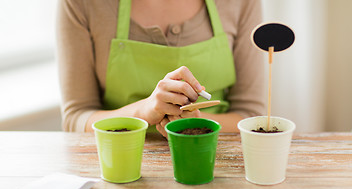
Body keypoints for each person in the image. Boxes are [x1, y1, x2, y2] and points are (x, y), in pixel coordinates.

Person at [57, 0, 265, 137]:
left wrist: (198, 124)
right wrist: (143, 111)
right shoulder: (81, 4)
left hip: (214, 161)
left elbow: (251, 115)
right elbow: (76, 118)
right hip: (122, 164)